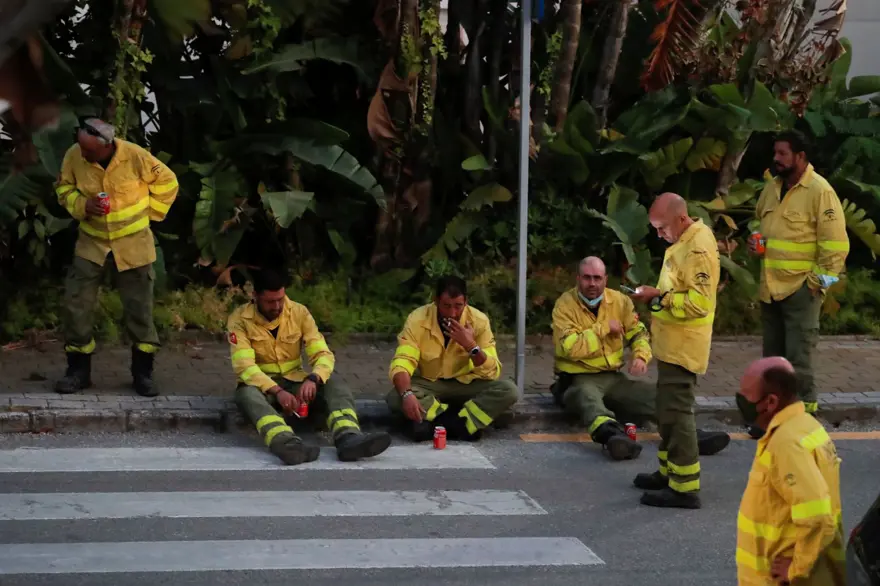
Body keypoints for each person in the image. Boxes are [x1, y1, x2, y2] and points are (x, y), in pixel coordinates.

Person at [551, 256, 730, 461]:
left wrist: (640, 356)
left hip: (613, 378)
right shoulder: (564, 305)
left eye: (597, 278)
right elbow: (569, 348)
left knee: (656, 397)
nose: (592, 283)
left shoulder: (620, 301)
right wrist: (602, 329)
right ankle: (614, 439)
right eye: (587, 278)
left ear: (606, 279)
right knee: (588, 400)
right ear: (577, 278)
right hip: (576, 378)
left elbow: (638, 334)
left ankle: (689, 437)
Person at [54, 118, 179, 397]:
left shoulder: (135, 156)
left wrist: (151, 214)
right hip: (91, 244)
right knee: (77, 307)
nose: (82, 155)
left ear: (106, 146)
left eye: (89, 152)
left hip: (134, 246)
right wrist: (82, 205)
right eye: (81, 148)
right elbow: (63, 188)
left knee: (139, 311)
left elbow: (168, 182)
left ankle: (143, 374)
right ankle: (77, 372)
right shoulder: (74, 155)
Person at [228, 269, 392, 465]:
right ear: (255, 296)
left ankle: (348, 437)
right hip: (262, 388)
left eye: (281, 299)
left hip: (295, 380)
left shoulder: (299, 313)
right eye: (270, 302)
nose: (278, 306)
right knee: (246, 396)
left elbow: (322, 353)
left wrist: (314, 378)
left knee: (334, 384)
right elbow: (244, 367)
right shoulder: (239, 320)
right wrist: (278, 392)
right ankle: (286, 444)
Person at [750, 131, 849, 424]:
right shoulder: (772, 187)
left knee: (798, 360)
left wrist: (817, 284)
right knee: (772, 360)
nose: (776, 159)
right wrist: (756, 238)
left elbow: (836, 246)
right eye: (776, 153)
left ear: (801, 157)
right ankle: (774, 417)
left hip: (801, 290)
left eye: (783, 154)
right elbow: (758, 220)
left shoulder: (820, 191)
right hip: (770, 287)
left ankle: (805, 419)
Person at [629, 192, 720, 509]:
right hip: (671, 347)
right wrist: (658, 297)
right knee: (667, 414)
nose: (659, 234)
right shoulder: (683, 242)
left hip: (684, 349)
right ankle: (669, 473)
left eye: (662, 227)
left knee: (678, 416)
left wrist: (659, 297)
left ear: (681, 219)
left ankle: (684, 488)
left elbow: (698, 302)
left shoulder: (697, 248)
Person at [736, 357, 844, 586]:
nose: (740, 404)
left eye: (745, 398)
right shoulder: (806, 425)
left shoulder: (785, 444)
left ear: (771, 402)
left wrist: (796, 567)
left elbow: (817, 515)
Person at [386, 276, 519, 442]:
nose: (452, 313)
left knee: (509, 390)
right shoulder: (417, 319)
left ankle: (433, 424)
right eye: (446, 306)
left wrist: (471, 346)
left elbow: (492, 372)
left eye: (458, 306)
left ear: (466, 302)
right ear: (436, 301)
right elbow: (403, 362)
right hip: (430, 383)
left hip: (468, 384)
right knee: (396, 396)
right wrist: (407, 394)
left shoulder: (479, 321)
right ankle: (460, 424)